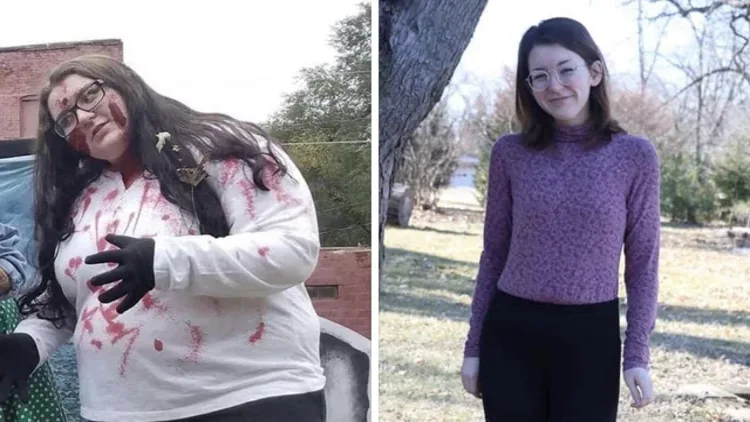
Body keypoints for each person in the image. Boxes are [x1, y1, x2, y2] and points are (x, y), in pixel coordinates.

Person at [1, 55, 326, 422]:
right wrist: (29, 343)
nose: (84, 117)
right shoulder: (77, 201)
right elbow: (69, 302)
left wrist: (164, 261)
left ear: (126, 85)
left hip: (249, 399)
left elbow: (293, 251)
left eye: (90, 95)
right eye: (66, 119)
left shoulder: (224, 150)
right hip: (118, 412)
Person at [460, 17, 660, 422]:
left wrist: (636, 354)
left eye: (566, 69)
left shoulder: (635, 157)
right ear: (529, 87)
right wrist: (474, 347)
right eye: (539, 76)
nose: (554, 85)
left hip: (591, 337)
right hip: (511, 334)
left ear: (594, 71)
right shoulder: (510, 154)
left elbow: (643, 264)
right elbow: (494, 255)